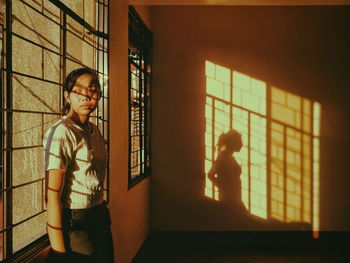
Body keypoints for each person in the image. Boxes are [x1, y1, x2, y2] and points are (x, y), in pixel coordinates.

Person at [43, 68, 114, 262]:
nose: (85, 96)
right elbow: (52, 197)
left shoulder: (94, 130)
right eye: (78, 90)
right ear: (67, 96)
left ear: (98, 95)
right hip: (76, 221)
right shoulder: (62, 132)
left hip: (98, 215)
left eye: (92, 90)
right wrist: (60, 254)